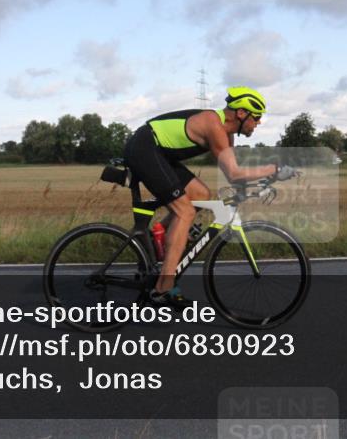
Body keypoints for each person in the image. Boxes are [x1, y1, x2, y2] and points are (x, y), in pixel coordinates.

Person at [123, 86, 296, 307]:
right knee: (185, 212)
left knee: (201, 194)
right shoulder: (213, 125)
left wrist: (261, 183)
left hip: (159, 153)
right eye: (257, 117)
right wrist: (273, 169)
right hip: (144, 148)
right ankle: (162, 288)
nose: (259, 123)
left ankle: (161, 237)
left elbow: (234, 175)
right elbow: (235, 173)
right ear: (242, 113)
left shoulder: (228, 133)